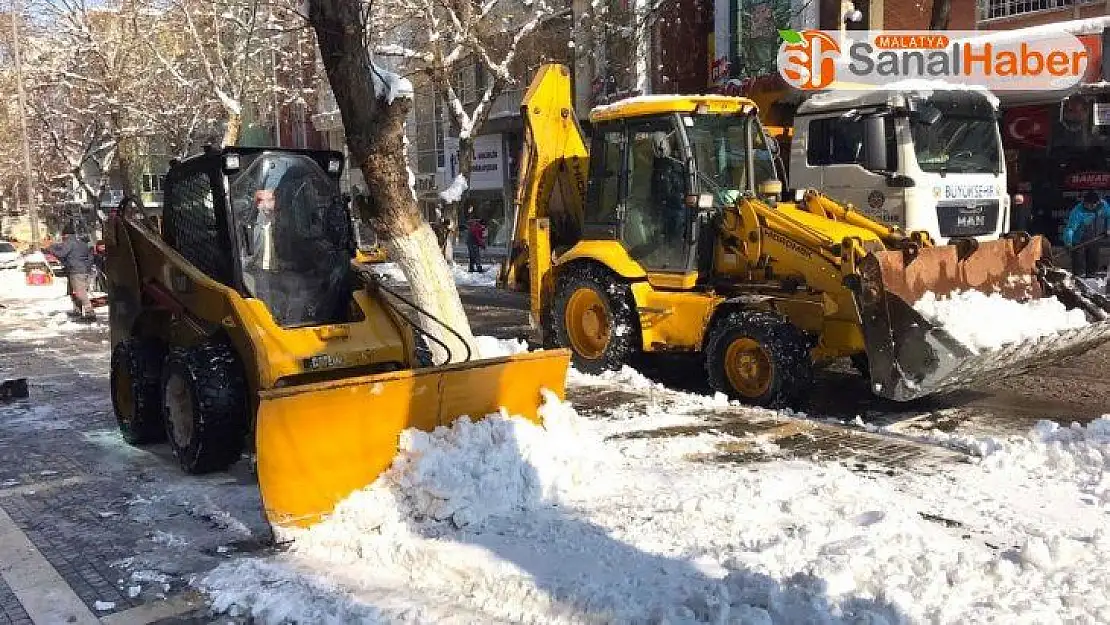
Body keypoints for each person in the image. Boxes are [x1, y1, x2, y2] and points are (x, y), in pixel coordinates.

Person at [45, 224, 95, 320]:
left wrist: (51, 249)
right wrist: (87, 266)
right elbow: (90, 256)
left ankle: (90, 312)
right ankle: (77, 310)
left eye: (62, 236)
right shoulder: (81, 243)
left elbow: (62, 253)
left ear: (65, 235)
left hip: (76, 271)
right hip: (85, 271)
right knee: (74, 291)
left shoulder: (69, 243)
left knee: (80, 292)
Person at [1062, 190, 1110, 278]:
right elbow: (1070, 229)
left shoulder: (1103, 206)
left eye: (1091, 204)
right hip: (1079, 242)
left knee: (1093, 265)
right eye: (1086, 204)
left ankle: (1091, 282)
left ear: (1097, 203)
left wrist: (1108, 228)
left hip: (1095, 238)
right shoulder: (1077, 212)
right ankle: (1078, 284)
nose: (1088, 206)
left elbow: (1108, 216)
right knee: (1079, 268)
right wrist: (1068, 243)